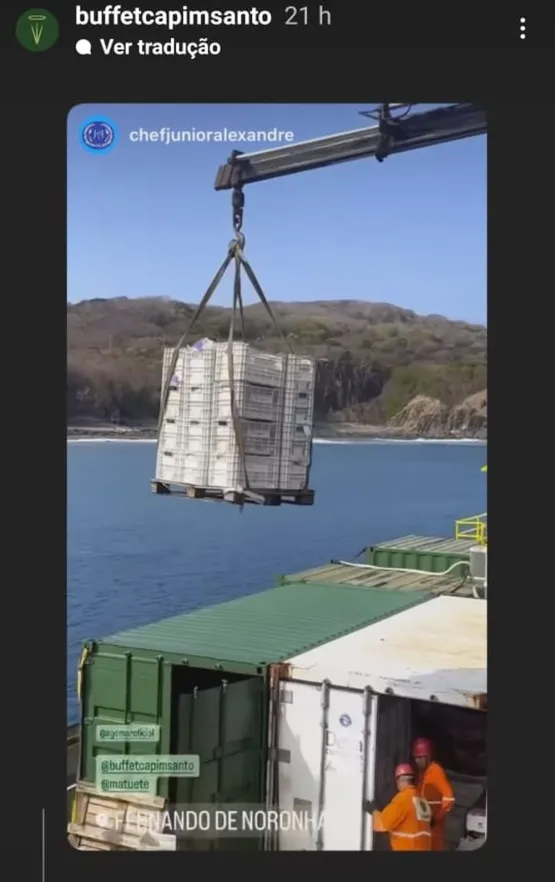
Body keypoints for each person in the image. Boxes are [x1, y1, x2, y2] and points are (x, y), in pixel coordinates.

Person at [364, 763, 432, 851]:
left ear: (400, 780)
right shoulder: (422, 800)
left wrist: (372, 810)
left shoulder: (403, 799)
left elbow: (382, 824)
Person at [412, 737, 455, 851]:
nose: (417, 761)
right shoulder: (422, 774)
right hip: (424, 825)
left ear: (428, 757)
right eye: (416, 758)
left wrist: (436, 818)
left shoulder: (436, 771)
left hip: (434, 827)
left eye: (420, 758)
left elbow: (449, 798)